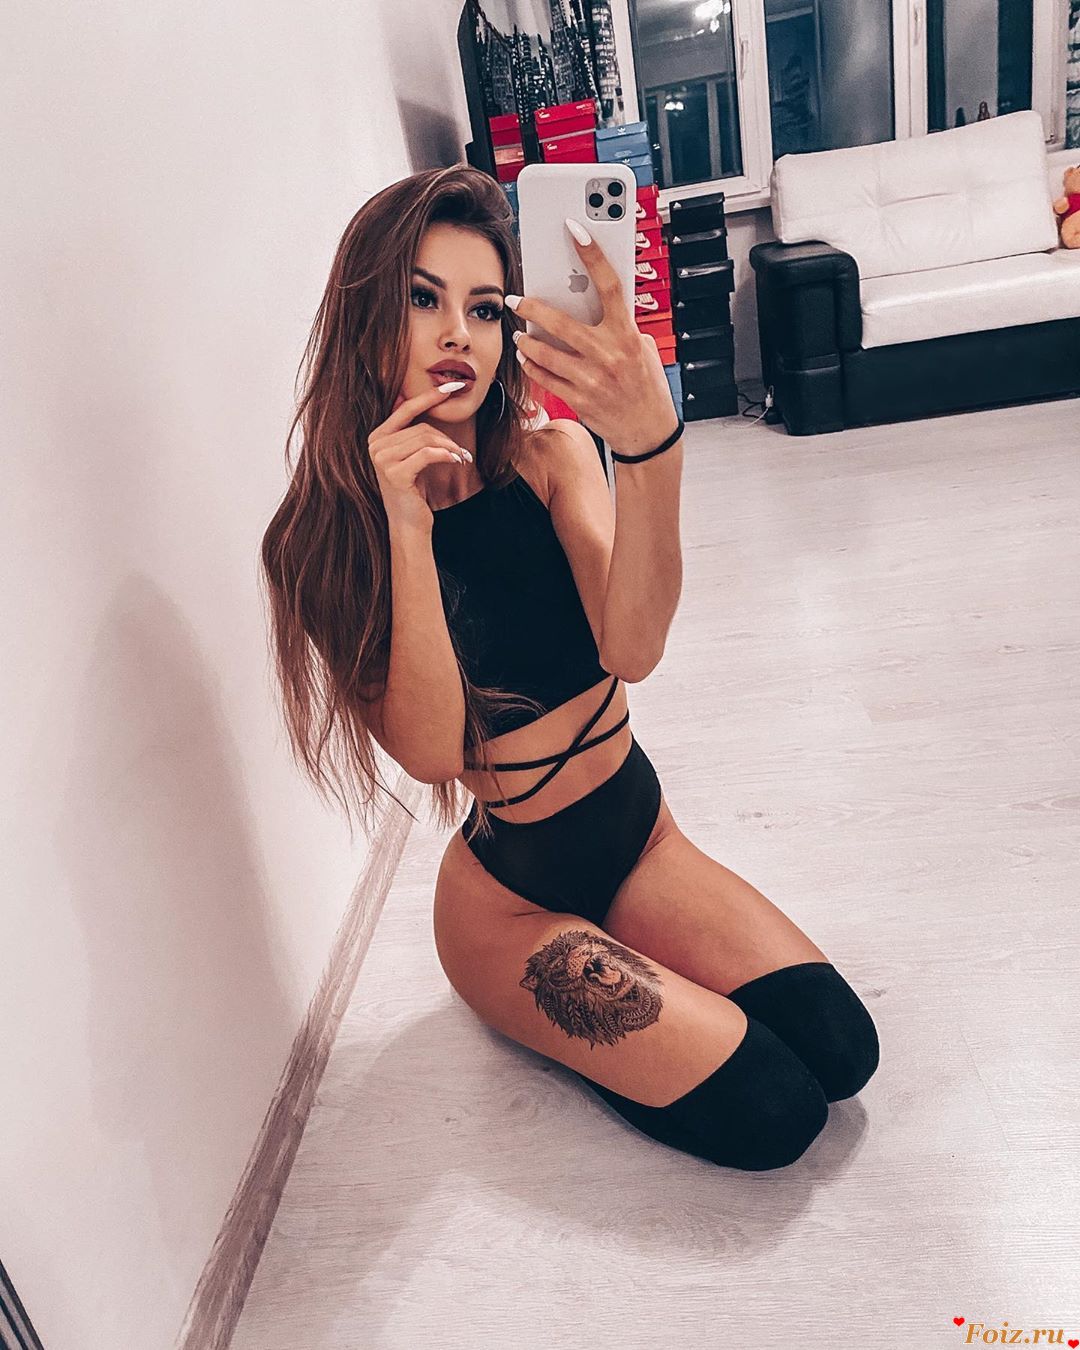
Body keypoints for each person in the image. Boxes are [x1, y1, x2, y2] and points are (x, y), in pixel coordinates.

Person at [260, 164, 879, 1171]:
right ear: (365, 317)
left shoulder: (552, 458)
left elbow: (632, 649)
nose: (458, 334)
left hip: (642, 841)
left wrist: (650, 445)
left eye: (484, 307)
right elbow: (430, 753)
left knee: (843, 1050)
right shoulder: (319, 544)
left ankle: (632, 988)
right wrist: (405, 529)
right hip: (509, 904)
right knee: (777, 1113)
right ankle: (560, 1016)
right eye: (422, 299)